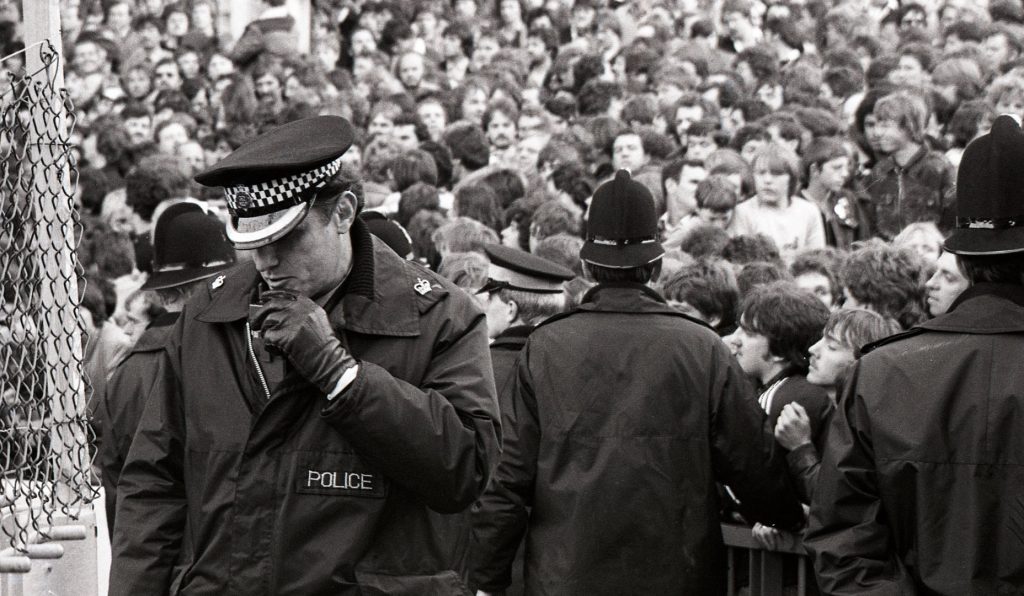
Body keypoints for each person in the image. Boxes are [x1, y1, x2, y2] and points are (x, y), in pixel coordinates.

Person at [110, 116, 501, 595]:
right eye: (254, 243)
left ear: (343, 212)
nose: (267, 262)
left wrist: (343, 378)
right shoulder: (209, 314)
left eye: (286, 238)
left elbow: (464, 471)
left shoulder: (440, 316)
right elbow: (153, 485)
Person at [470, 170, 803, 595]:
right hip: (676, 575)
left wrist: (485, 579)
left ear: (588, 266)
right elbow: (750, 461)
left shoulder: (547, 345)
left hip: (569, 576)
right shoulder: (701, 346)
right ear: (657, 264)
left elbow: (508, 476)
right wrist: (787, 514)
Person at [806, 115, 1024, 594]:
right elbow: (844, 537)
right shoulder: (882, 370)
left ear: (962, 262)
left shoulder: (882, 371)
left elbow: (844, 541)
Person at [98, 201, 236, 537]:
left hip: (149, 552)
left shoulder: (126, 371)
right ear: (210, 283)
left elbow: (118, 486)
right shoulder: (228, 358)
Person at [477, 244, 573, 391]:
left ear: (511, 309)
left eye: (490, 297)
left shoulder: (482, 369)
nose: (485, 306)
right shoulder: (572, 360)